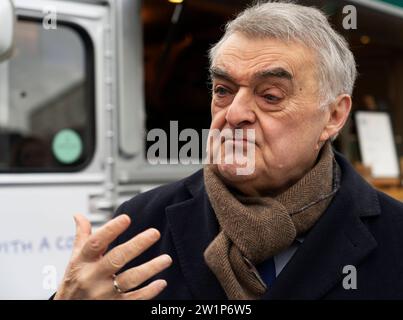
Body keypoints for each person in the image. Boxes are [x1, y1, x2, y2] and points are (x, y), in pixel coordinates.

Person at [54, 1, 403, 300]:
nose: (233, 113)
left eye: (270, 96)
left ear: (334, 116)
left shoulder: (394, 237)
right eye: (223, 90)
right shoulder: (143, 222)